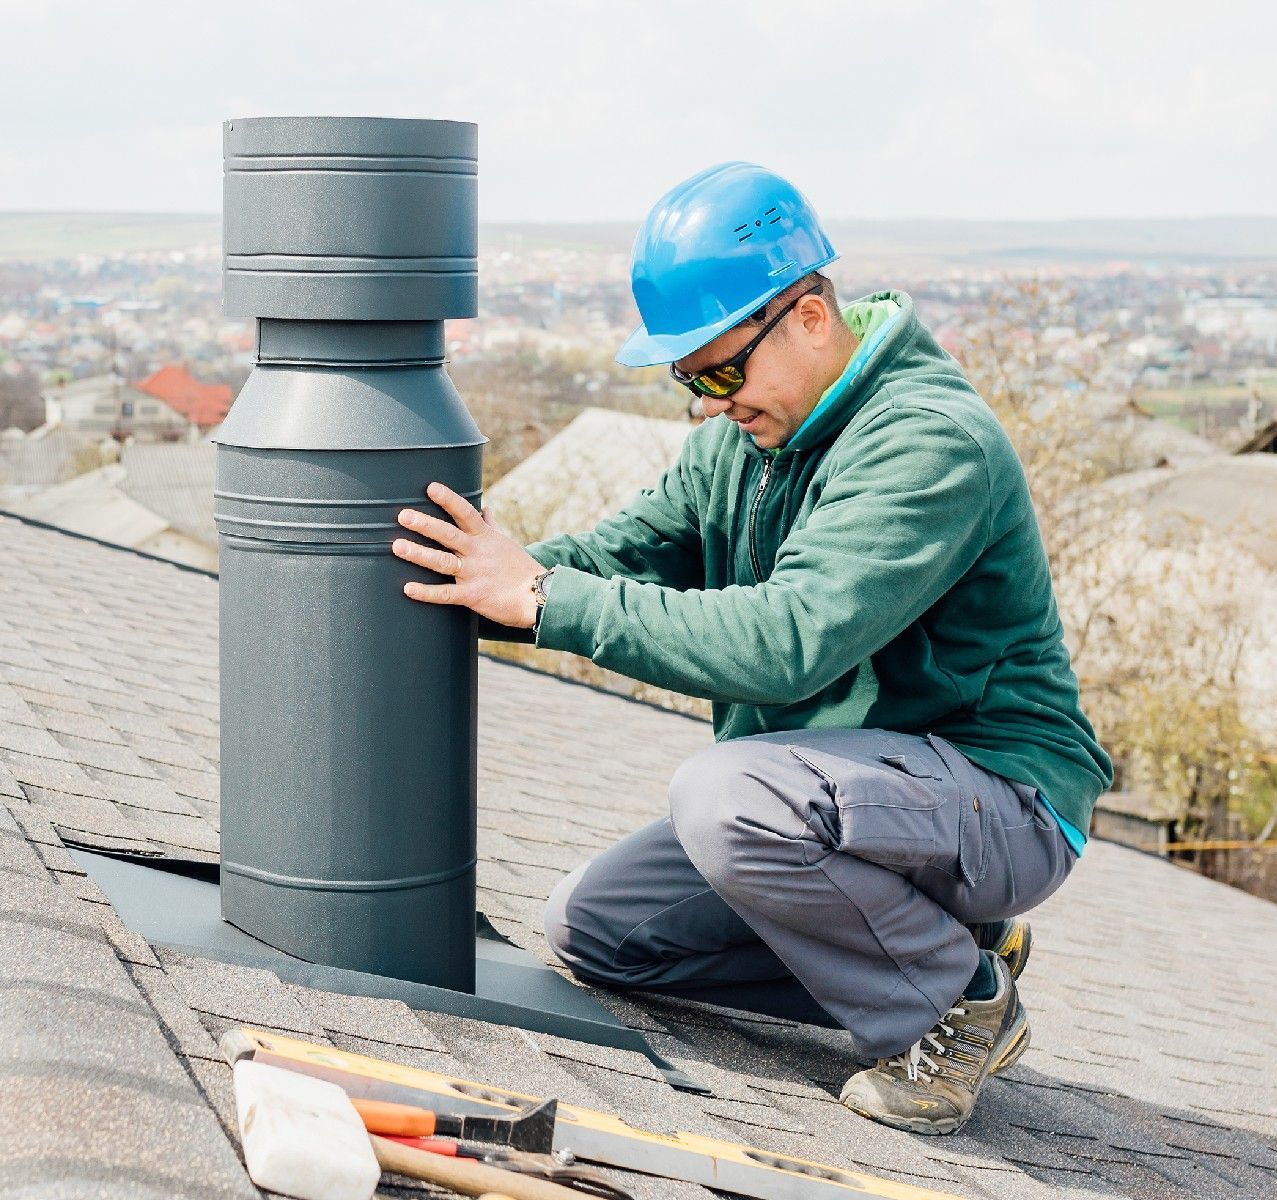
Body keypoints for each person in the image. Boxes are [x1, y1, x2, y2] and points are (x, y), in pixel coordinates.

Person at [389, 162, 1112, 1136]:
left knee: (725, 796)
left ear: (810, 316)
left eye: (722, 370)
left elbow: (787, 645)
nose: (709, 401)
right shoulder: (740, 450)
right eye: (692, 379)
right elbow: (606, 558)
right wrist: (457, 584)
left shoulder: (929, 444)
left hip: (998, 799)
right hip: (856, 801)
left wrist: (542, 598)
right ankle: (945, 950)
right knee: (598, 931)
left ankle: (954, 1001)